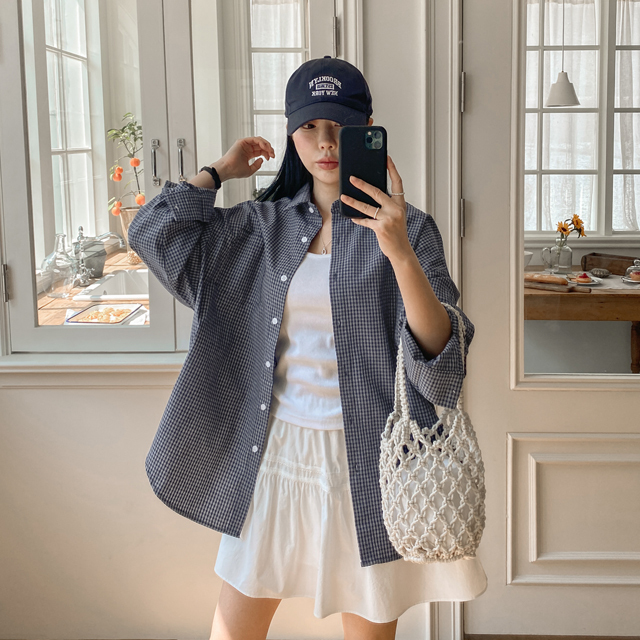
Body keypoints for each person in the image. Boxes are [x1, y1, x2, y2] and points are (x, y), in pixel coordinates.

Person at [128, 56, 487, 640]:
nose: (326, 143)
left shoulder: (411, 228)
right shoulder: (257, 228)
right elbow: (151, 232)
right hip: (274, 455)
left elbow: (443, 363)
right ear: (291, 134)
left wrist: (398, 251)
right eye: (310, 127)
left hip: (372, 462)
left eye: (341, 127)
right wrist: (219, 171)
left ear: (367, 128)